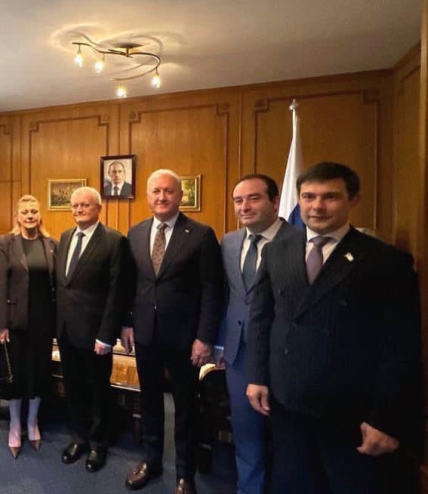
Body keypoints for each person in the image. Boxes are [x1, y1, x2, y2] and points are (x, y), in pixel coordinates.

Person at [246, 162, 422, 493]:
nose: (317, 206)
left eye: (330, 197)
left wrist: (384, 418)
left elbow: (399, 347)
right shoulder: (277, 250)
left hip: (349, 411)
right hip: (287, 402)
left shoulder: (384, 260)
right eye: (308, 196)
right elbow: (260, 318)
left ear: (353, 200)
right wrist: (257, 375)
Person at [121, 169, 223, 494]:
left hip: (185, 339)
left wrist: (205, 337)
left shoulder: (200, 234)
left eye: (168, 191)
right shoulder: (136, 233)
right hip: (145, 335)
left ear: (180, 196)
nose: (162, 197)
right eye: (156, 191)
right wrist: (126, 323)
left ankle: (184, 474)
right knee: (150, 402)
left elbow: (212, 289)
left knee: (185, 408)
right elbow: (130, 284)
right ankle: (151, 461)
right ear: (147, 196)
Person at [215, 174, 300, 494]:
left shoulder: (301, 240)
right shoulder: (229, 242)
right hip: (238, 355)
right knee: (246, 432)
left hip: (286, 355)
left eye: (254, 198)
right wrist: (220, 345)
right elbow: (225, 295)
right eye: (238, 201)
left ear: (275, 201)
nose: (245, 207)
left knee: (289, 436)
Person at [56, 186, 129, 473]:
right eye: (74, 205)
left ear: (99, 208)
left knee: (98, 390)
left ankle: (98, 443)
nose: (78, 210)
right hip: (65, 330)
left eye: (85, 205)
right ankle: (78, 437)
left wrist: (107, 335)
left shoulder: (114, 240)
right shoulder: (65, 237)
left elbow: (117, 291)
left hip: (96, 333)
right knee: (73, 387)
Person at [0, 195, 57, 459]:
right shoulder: (5, 243)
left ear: (40, 215)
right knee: (15, 375)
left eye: (34, 211)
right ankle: (15, 425)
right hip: (15, 322)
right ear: (17, 216)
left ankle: (32, 423)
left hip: (44, 322)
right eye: (25, 211)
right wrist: (1, 324)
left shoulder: (51, 244)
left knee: (39, 374)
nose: (30, 215)